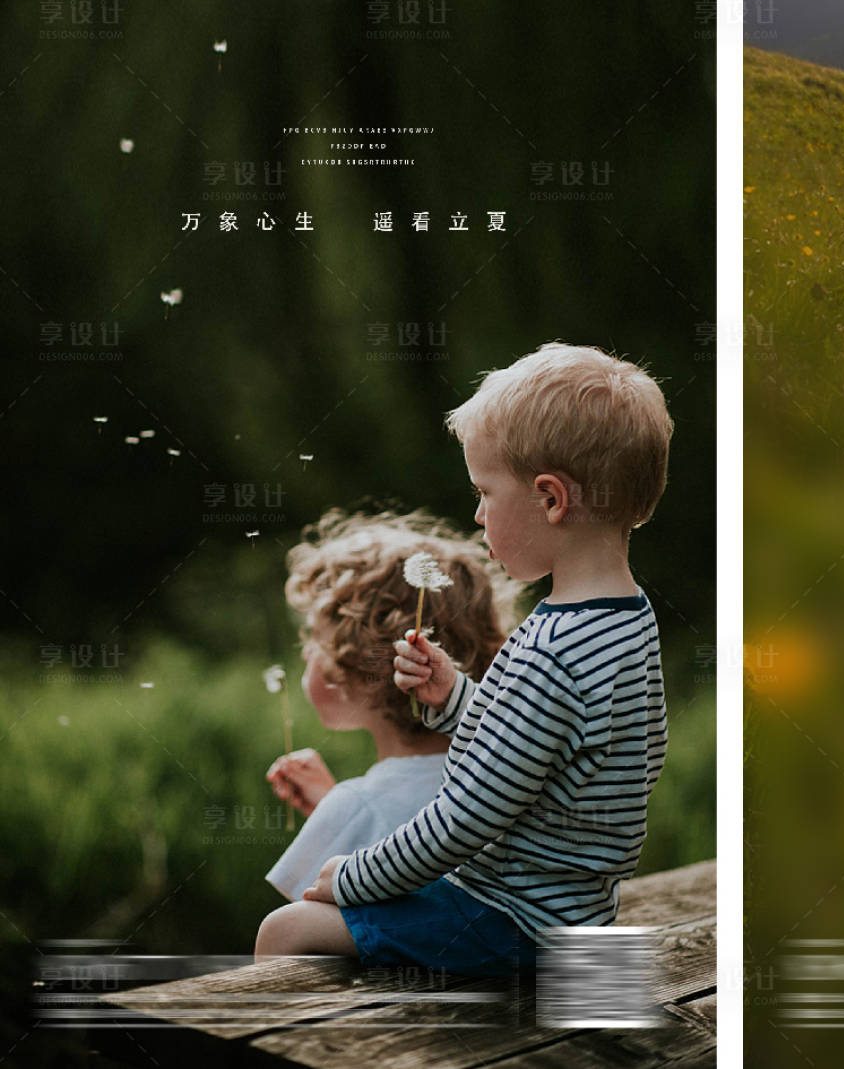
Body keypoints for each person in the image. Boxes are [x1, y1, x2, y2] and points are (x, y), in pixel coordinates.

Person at [254, 343, 671, 982]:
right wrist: (456, 699)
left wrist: (355, 875)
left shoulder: (552, 649)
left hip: (512, 919)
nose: (477, 516)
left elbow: (462, 821)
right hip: (584, 912)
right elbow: (556, 747)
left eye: (484, 493)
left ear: (551, 499)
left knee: (284, 932)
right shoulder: (626, 620)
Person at [261, 512, 507, 909]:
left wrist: (339, 816)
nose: (305, 650)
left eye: (315, 639)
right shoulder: (501, 777)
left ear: (357, 670)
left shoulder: (357, 805)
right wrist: (333, 810)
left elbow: (297, 950)